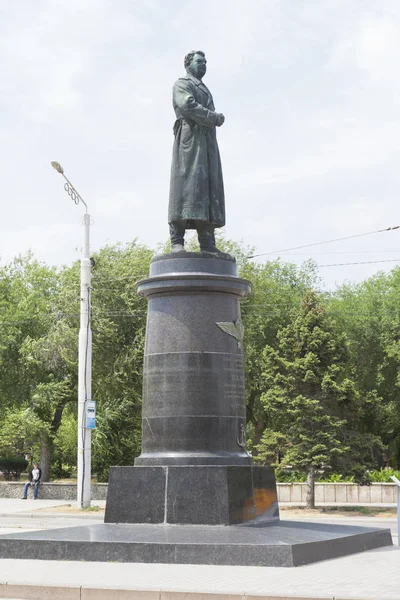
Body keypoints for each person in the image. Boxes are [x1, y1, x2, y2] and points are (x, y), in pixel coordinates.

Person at [168, 50, 226, 253]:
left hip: (207, 143)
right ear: (188, 64)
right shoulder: (182, 83)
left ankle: (207, 243)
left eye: (205, 62)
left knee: (207, 190)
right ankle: (177, 241)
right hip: (190, 140)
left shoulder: (204, 88)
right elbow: (187, 105)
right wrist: (213, 117)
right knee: (185, 188)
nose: (203, 65)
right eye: (199, 61)